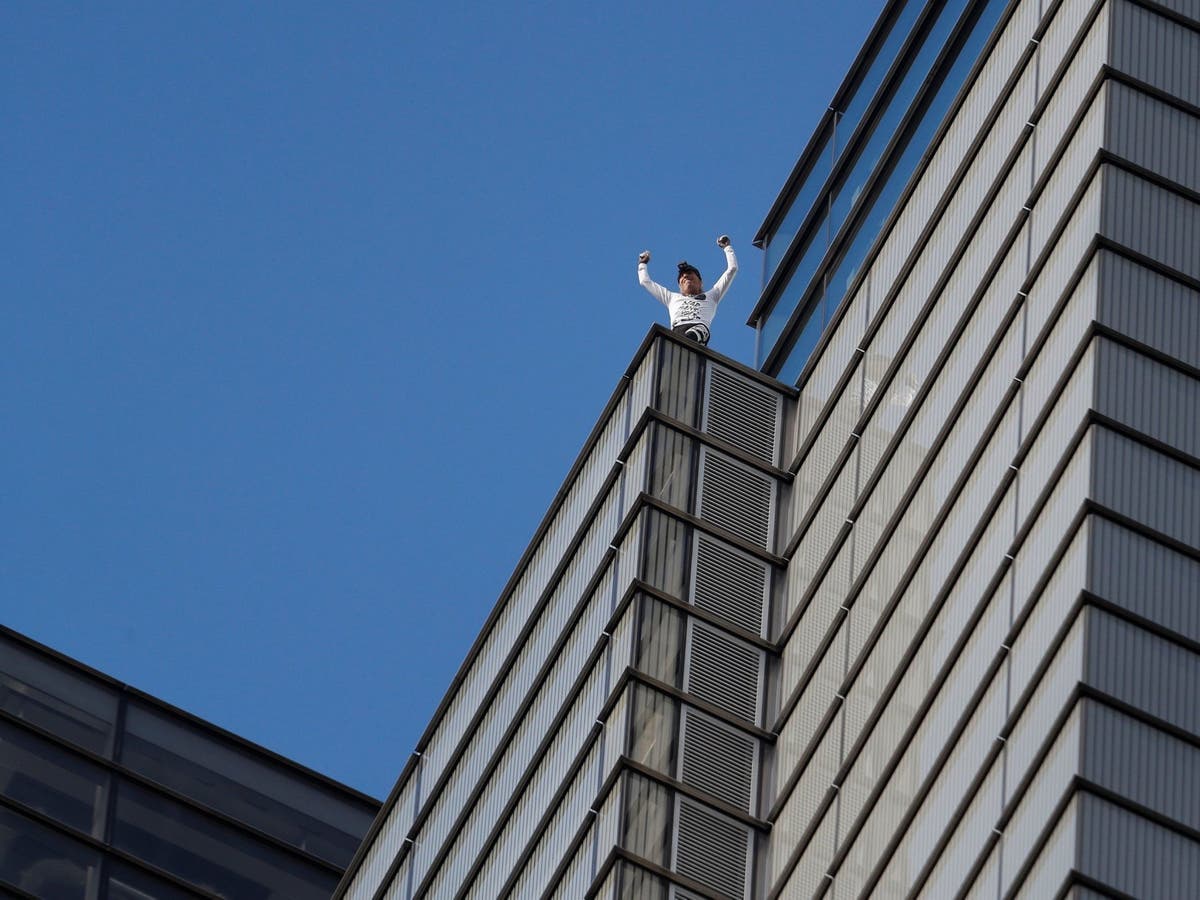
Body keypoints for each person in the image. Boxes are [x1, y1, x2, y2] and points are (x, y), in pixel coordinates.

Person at [637, 235, 737, 346]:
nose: (685, 277)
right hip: (677, 331)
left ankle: (688, 344)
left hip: (698, 331)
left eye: (689, 274)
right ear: (680, 286)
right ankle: (677, 347)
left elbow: (732, 269)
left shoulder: (712, 295)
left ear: (700, 282)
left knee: (702, 330)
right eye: (682, 277)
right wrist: (642, 264)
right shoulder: (671, 297)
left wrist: (727, 247)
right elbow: (645, 282)